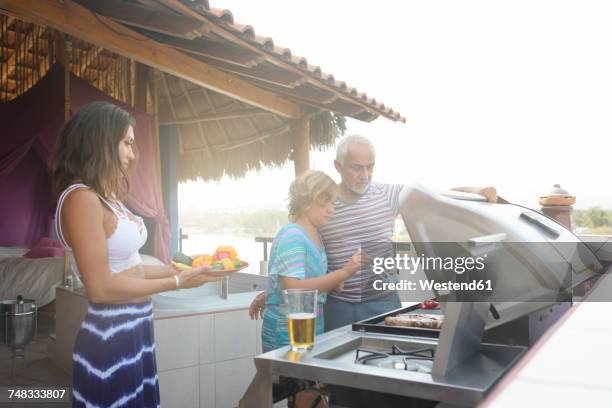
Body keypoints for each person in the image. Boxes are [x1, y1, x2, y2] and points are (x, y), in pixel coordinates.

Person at [52, 101, 222, 408]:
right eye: (127, 143)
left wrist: (190, 270)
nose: (132, 155)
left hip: (136, 330)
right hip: (109, 336)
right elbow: (101, 289)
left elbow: (134, 270)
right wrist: (177, 283)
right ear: (101, 140)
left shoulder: (110, 199)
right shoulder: (81, 199)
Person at [250, 134, 496, 331]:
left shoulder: (388, 195)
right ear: (338, 166)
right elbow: (298, 254)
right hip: (337, 306)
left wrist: (477, 189)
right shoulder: (322, 202)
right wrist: (274, 291)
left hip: (383, 301)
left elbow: (436, 197)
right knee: (339, 380)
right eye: (357, 168)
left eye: (370, 167)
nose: (365, 175)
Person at [260, 170, 363, 352]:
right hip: (286, 336)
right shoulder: (293, 236)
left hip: (307, 332)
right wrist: (343, 273)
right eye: (326, 203)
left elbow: (306, 280)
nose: (332, 209)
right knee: (287, 381)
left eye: (333, 203)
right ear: (307, 202)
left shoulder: (314, 235)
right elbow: (293, 287)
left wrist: (332, 283)